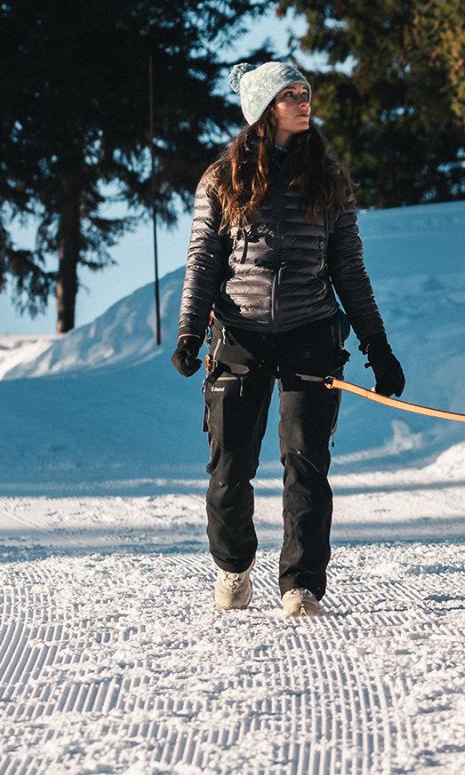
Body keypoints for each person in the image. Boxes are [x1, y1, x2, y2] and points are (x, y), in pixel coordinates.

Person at [172, 61, 405, 618]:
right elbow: (203, 261)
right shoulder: (221, 179)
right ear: (261, 111)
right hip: (239, 333)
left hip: (310, 330)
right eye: (290, 95)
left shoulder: (329, 177)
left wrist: (377, 345)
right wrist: (188, 330)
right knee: (230, 467)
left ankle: (301, 583)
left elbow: (350, 269)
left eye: (305, 93)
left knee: (306, 461)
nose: (304, 102)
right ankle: (233, 565)